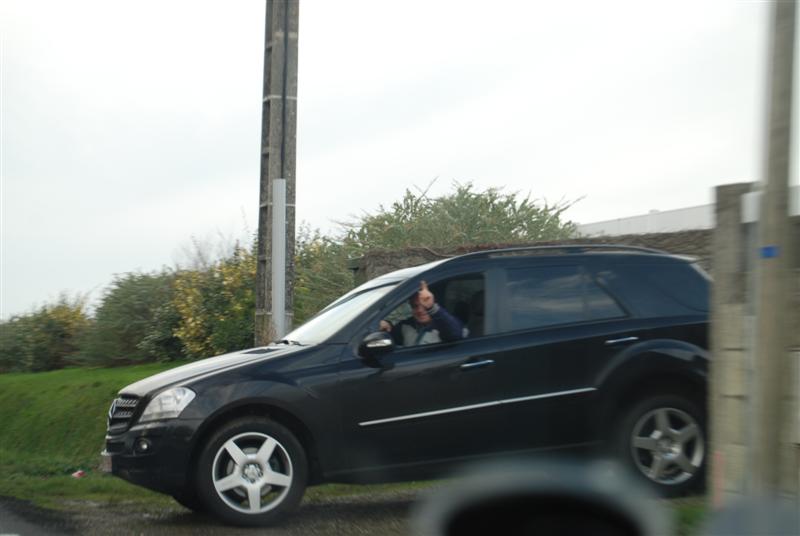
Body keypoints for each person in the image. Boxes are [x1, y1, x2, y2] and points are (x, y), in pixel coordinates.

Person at [379, 280, 465, 346]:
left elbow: (455, 334)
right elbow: (386, 338)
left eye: (425, 305)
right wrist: (386, 325)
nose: (420, 310)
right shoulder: (407, 326)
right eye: (415, 306)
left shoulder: (445, 324)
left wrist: (431, 308)